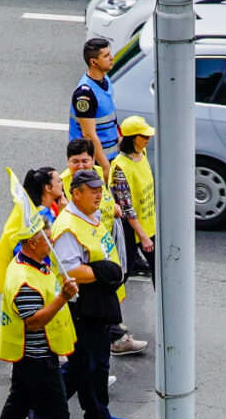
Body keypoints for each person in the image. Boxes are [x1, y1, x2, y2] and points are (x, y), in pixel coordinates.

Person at [48, 166, 129, 419]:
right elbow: (68, 269)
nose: (98, 196)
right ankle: (41, 409)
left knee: (99, 365)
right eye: (93, 192)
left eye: (100, 191)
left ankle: (96, 415)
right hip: (83, 306)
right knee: (83, 365)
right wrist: (103, 272)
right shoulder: (69, 226)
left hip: (100, 302)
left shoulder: (88, 216)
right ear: (76, 193)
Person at [0, 200, 79, 419]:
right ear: (32, 242)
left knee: (17, 405)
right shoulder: (25, 281)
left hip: (30, 357)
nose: (52, 243)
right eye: (48, 239)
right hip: (38, 358)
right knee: (59, 418)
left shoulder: (32, 263)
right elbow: (33, 322)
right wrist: (63, 297)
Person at [61, 137, 145, 356]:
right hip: (89, 275)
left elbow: (103, 200)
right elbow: (69, 266)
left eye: (85, 160)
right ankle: (115, 339)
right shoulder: (64, 187)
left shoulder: (97, 176)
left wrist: (114, 206)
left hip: (106, 253)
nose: (80, 166)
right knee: (87, 355)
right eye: (74, 161)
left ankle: (112, 335)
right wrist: (102, 273)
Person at [112, 114, 157, 283]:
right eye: (144, 136)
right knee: (124, 271)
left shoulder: (142, 153)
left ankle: (163, 309)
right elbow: (127, 208)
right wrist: (143, 236)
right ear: (132, 139)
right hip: (131, 231)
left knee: (158, 270)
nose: (148, 138)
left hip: (147, 224)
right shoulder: (120, 168)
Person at [69, 36, 120, 165]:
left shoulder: (105, 79)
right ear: (94, 62)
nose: (112, 57)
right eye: (106, 55)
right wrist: (104, 165)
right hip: (92, 161)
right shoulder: (84, 94)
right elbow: (89, 135)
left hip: (110, 155)